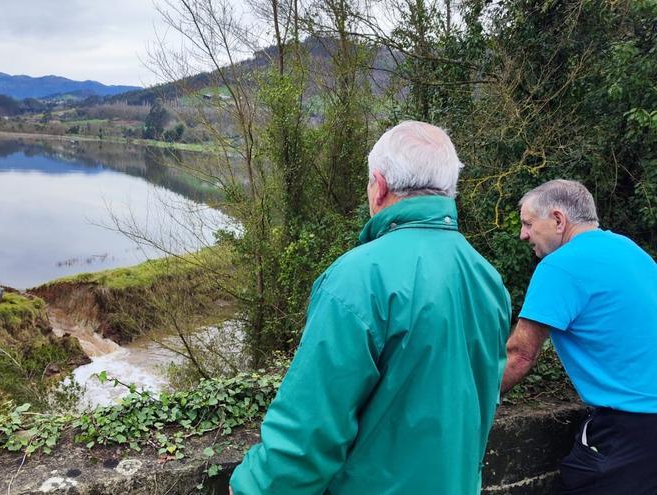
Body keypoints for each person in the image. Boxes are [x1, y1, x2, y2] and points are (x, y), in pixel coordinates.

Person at [229, 121, 511, 494]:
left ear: (378, 186)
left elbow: (311, 428)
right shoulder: (487, 279)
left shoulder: (357, 278)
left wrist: (254, 486)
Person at [501, 179, 657, 494]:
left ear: (558, 220)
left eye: (529, 223)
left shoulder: (559, 266)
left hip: (629, 426)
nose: (523, 234)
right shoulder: (629, 249)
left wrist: (472, 402)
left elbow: (520, 355)